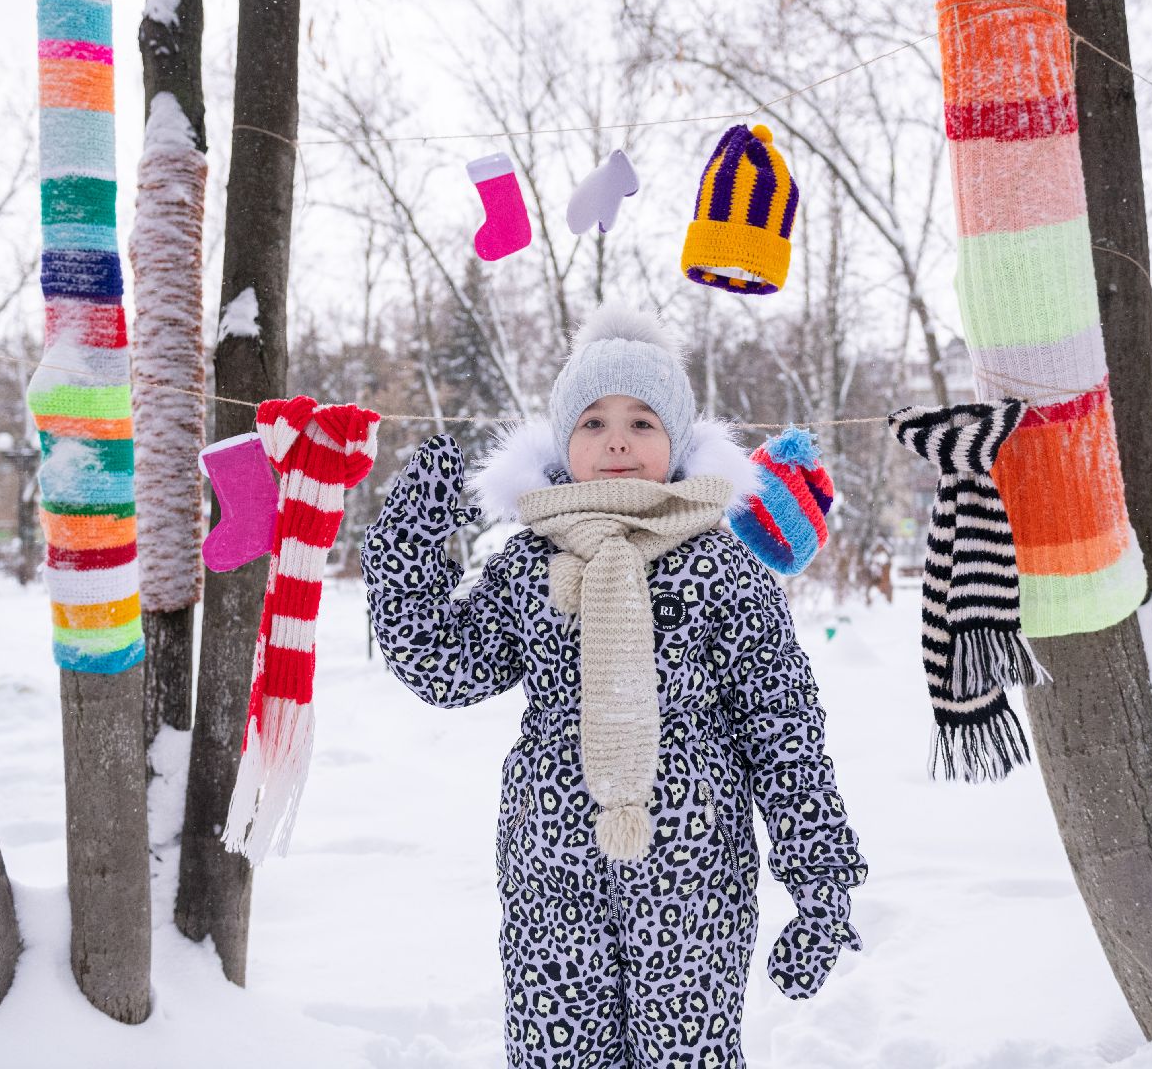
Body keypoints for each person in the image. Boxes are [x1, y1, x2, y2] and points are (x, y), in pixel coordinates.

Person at [360, 303, 867, 1068]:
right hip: (550, 872)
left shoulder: (722, 565)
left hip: (694, 877)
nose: (619, 439)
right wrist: (409, 544)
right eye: (593, 422)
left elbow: (784, 731)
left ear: (678, 440)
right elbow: (444, 664)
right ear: (564, 443)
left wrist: (820, 881)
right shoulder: (532, 560)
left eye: (642, 421)